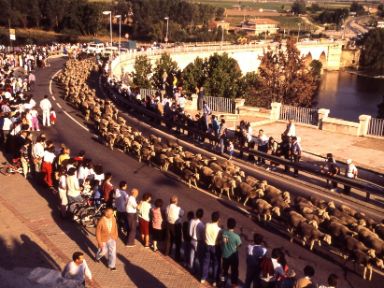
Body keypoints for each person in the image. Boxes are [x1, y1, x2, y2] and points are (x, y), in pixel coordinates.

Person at [201, 211, 221, 286]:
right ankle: (214, 281)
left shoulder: (207, 225)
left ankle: (203, 278)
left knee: (206, 262)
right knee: (215, 264)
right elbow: (219, 240)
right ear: (218, 219)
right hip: (215, 247)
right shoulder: (219, 229)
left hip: (207, 245)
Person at [220, 218, 241, 287]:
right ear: (234, 226)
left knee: (224, 270)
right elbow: (239, 245)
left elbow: (223, 241)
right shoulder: (236, 236)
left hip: (225, 255)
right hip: (233, 257)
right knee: (234, 272)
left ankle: (222, 283)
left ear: (227, 225)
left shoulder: (224, 233)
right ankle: (233, 285)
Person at [165, 195, 184, 261]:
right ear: (176, 201)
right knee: (178, 241)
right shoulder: (178, 209)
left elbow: (166, 214)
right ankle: (177, 257)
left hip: (168, 224)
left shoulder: (167, 207)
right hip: (175, 226)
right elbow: (182, 214)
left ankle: (166, 252)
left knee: (169, 239)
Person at [189, 208, 205, 274]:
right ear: (202, 216)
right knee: (198, 256)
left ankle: (191, 267)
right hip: (198, 241)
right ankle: (198, 270)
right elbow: (202, 236)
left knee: (192, 254)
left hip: (192, 239)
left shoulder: (191, 221)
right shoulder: (201, 224)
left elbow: (190, 232)